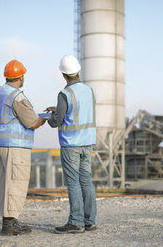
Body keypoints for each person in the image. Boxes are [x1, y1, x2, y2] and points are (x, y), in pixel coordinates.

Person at [0, 60, 46, 236]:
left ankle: (8, 220)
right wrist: (45, 119)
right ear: (21, 77)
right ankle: (9, 224)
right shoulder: (17, 96)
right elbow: (32, 121)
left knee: (1, 183)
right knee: (16, 183)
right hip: (14, 147)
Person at [46, 55, 97, 234]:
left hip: (71, 144)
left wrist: (50, 118)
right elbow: (80, 110)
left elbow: (57, 121)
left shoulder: (64, 94)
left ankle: (76, 222)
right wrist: (59, 108)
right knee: (86, 180)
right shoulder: (90, 91)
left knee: (73, 182)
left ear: (63, 75)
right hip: (88, 142)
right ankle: (89, 221)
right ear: (78, 71)